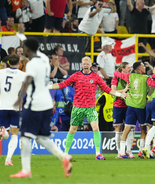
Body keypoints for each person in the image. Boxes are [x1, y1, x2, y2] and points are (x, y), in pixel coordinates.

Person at [9, 39, 72, 178]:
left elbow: (28, 80)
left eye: (25, 48)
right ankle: (64, 157)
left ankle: (26, 170)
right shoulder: (43, 58)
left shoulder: (32, 64)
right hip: (47, 104)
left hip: (34, 104)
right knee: (40, 137)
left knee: (25, 135)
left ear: (27, 50)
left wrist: (20, 98)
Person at [49, 56, 128, 160]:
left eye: (88, 63)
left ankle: (98, 154)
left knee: (96, 128)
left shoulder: (96, 77)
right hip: (77, 107)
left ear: (91, 65)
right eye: (84, 63)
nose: (86, 65)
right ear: (82, 65)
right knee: (72, 130)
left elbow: (107, 89)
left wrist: (119, 94)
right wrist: (48, 86)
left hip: (91, 107)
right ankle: (65, 153)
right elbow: (63, 84)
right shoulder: (76, 75)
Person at [113, 62, 155, 159]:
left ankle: (122, 153)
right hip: (141, 107)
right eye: (143, 66)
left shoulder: (129, 76)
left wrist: (118, 72)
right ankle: (141, 151)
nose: (144, 68)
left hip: (131, 107)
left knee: (126, 130)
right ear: (140, 69)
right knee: (143, 130)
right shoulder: (146, 78)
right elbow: (154, 84)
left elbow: (116, 73)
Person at [0, 55, 26, 166]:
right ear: (19, 63)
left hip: (2, 106)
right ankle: (8, 159)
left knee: (5, 134)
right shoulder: (23, 75)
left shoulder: (1, 72)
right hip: (15, 108)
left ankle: (3, 132)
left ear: (8, 62)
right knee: (14, 135)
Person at [111, 62, 131, 157]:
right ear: (123, 69)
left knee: (130, 127)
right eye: (128, 68)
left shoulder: (130, 77)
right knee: (118, 129)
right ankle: (119, 152)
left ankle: (128, 150)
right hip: (118, 106)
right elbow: (113, 91)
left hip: (128, 105)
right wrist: (124, 90)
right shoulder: (116, 78)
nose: (130, 69)